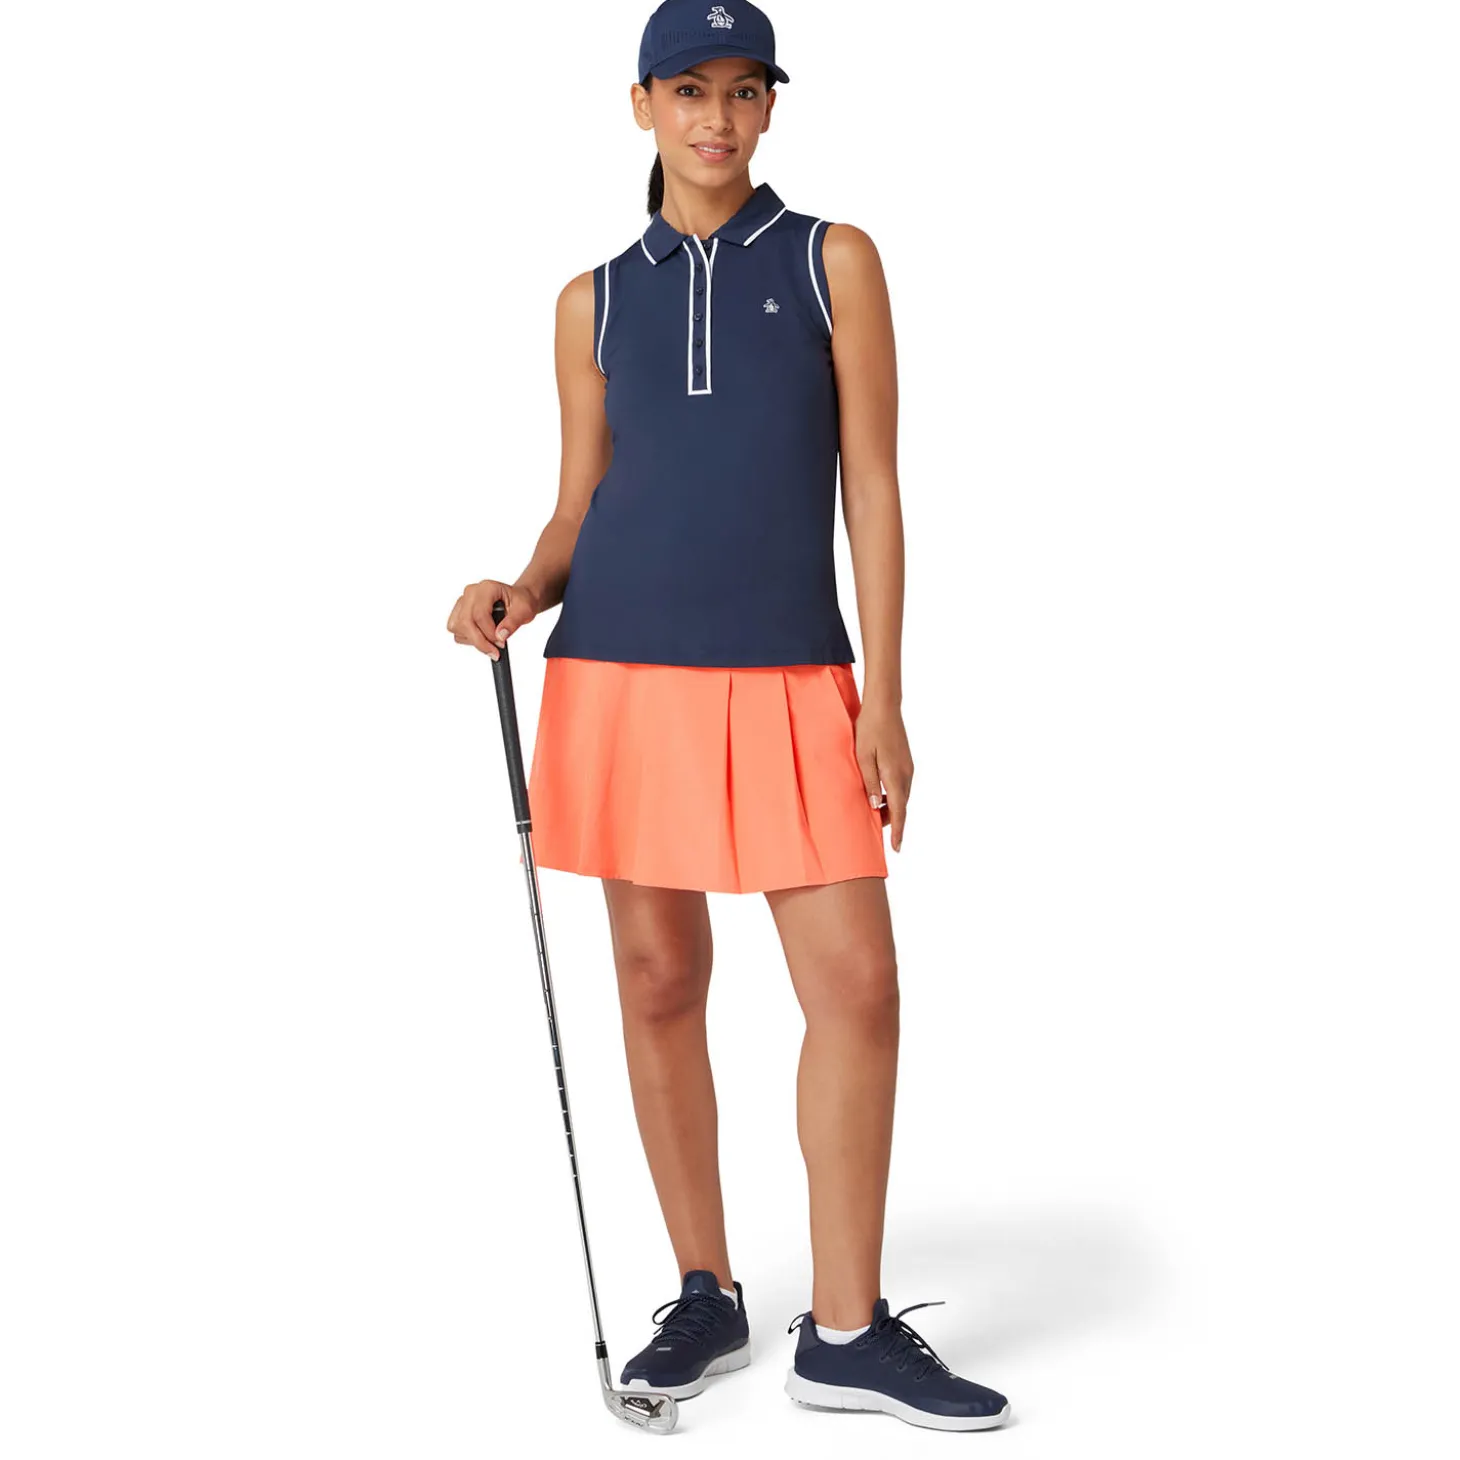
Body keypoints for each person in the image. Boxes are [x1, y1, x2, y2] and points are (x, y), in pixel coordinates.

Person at [447, 0, 1009, 1432]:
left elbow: (873, 488)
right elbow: (579, 502)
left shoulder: (832, 259)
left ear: (770, 106)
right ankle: (704, 1291)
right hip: (619, 669)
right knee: (656, 980)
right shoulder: (590, 299)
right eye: (688, 89)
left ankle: (847, 1328)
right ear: (641, 105)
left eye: (743, 89)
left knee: (858, 987)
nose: (717, 116)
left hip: (789, 670)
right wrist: (521, 587)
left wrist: (887, 694)